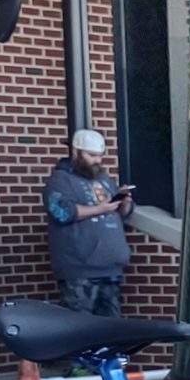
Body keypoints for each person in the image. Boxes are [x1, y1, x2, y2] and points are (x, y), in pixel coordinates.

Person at [44, 127, 132, 316]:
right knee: (81, 330)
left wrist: (124, 203)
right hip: (80, 271)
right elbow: (60, 212)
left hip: (111, 268)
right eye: (92, 155)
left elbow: (122, 212)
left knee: (111, 332)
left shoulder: (104, 178)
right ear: (75, 152)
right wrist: (100, 208)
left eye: (100, 156)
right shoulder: (60, 180)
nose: (97, 161)